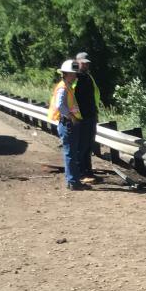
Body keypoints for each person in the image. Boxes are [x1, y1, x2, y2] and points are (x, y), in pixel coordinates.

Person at [48, 59, 88, 191]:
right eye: (73, 73)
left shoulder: (67, 86)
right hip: (68, 124)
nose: (76, 75)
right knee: (70, 153)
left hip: (68, 124)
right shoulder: (63, 87)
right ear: (67, 74)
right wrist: (71, 117)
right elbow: (60, 105)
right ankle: (73, 182)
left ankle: (73, 180)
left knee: (71, 153)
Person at [74, 51, 102, 182]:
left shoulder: (88, 77)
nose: (86, 65)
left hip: (91, 115)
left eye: (87, 63)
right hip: (80, 117)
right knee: (82, 146)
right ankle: (81, 173)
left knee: (89, 145)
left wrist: (95, 112)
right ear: (78, 62)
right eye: (83, 63)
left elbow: (93, 96)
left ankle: (88, 172)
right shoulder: (74, 77)